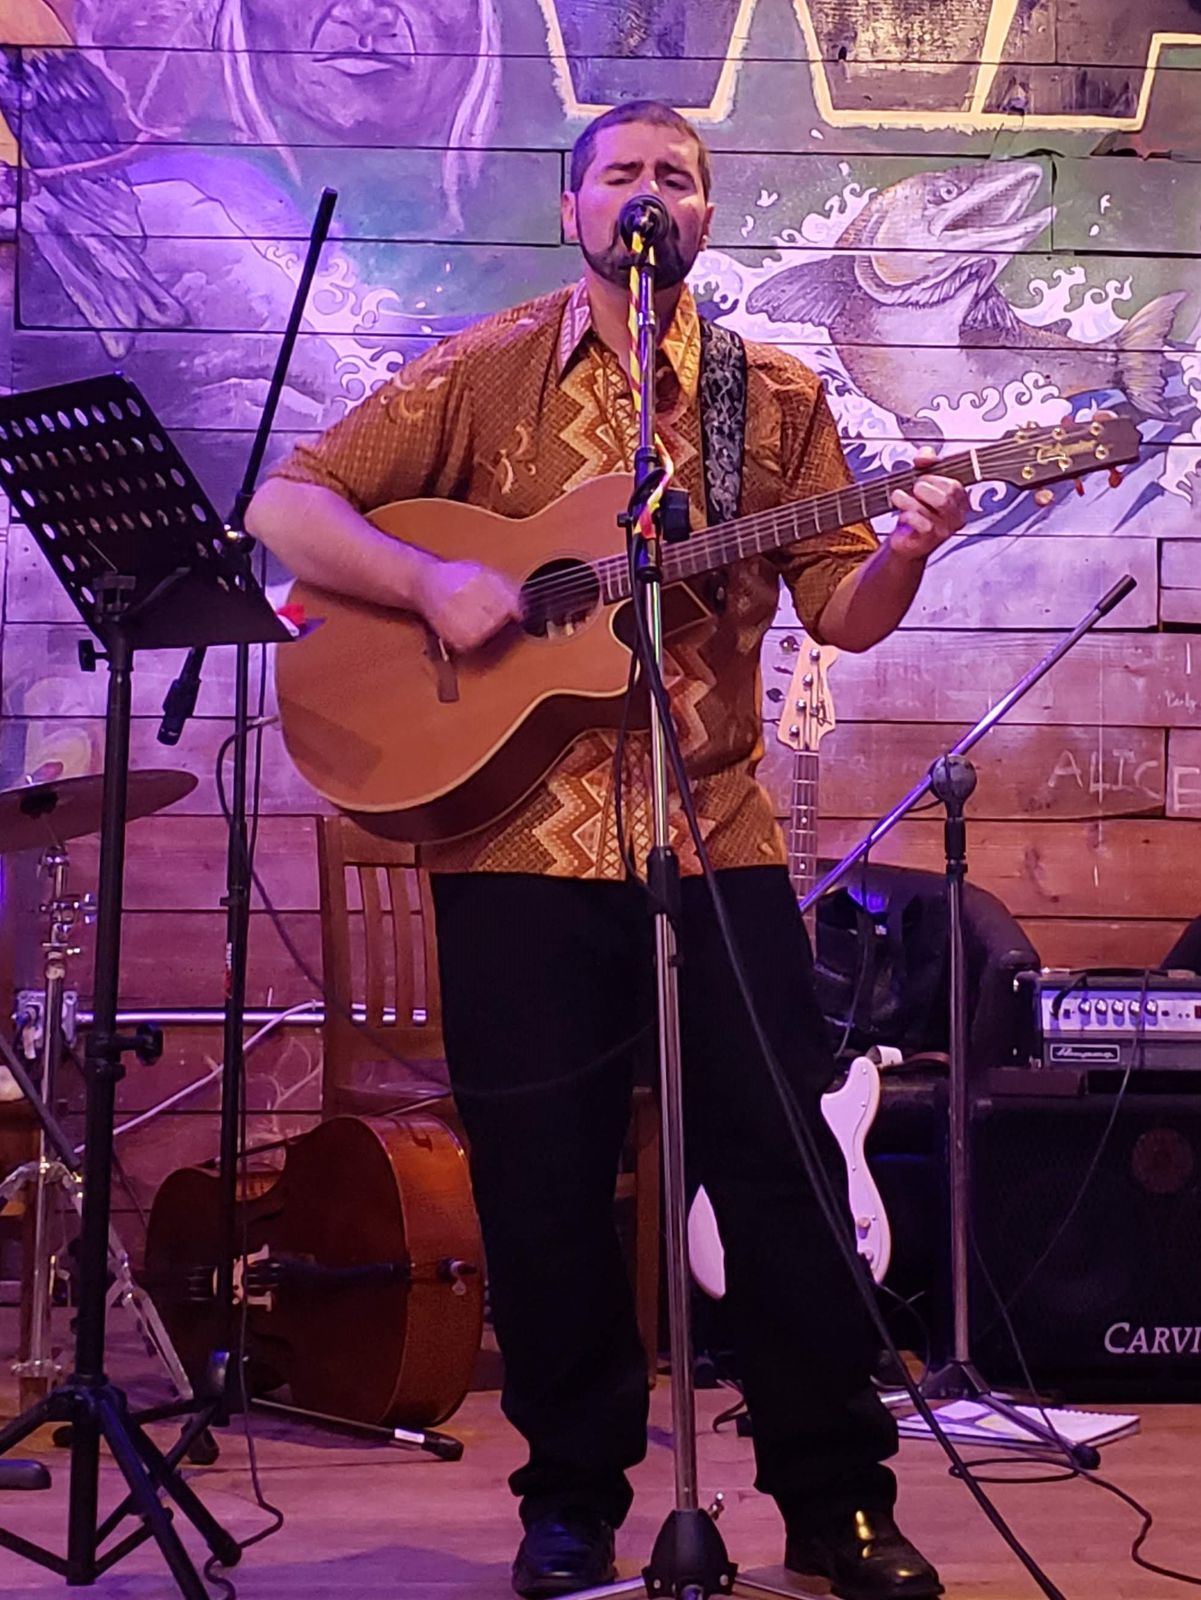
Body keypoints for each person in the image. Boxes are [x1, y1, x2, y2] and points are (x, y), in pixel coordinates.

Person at [247, 100, 968, 1600]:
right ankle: (569, 1497)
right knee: (544, 1190)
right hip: (515, 844)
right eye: (621, 174)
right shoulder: (483, 369)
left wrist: (904, 546)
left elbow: (839, 614)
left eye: (677, 178)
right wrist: (433, 582)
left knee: (782, 1176)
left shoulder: (773, 396)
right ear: (573, 208)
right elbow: (287, 504)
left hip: (714, 837)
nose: (649, 195)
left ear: (707, 214)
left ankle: (835, 1500)